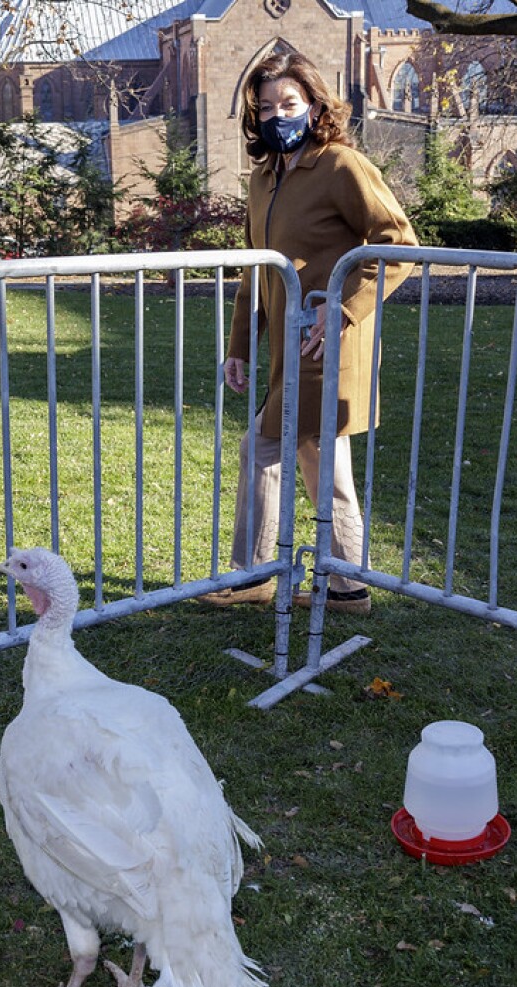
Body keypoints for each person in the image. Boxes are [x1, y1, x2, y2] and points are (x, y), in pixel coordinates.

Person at [199, 51, 418, 614]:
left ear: (315, 104)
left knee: (296, 453)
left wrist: (342, 310)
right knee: (302, 457)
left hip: (332, 343)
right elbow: (260, 268)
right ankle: (337, 585)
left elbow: (399, 245)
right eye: (266, 105)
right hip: (286, 350)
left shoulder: (342, 165)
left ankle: (274, 578)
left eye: (289, 102)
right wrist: (239, 347)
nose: (278, 114)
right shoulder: (264, 178)